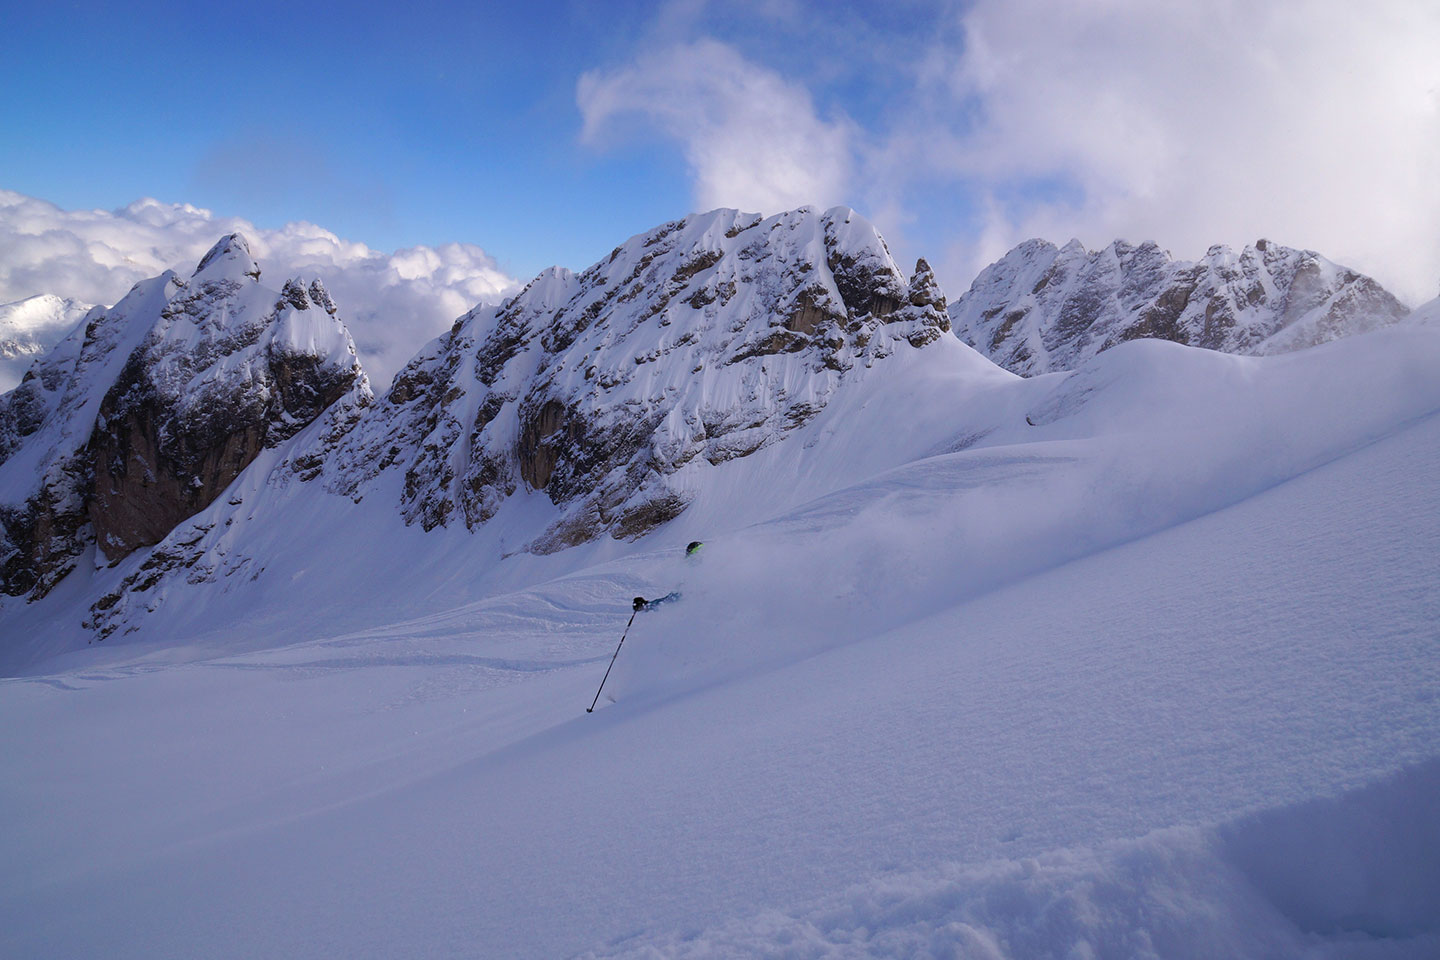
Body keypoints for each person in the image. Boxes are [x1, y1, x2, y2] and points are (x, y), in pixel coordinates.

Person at [634, 541, 703, 611]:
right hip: (689, 592)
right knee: (673, 600)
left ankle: (646, 606)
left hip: (698, 594)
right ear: (692, 553)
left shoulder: (704, 564)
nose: (701, 554)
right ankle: (645, 606)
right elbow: (673, 598)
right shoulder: (690, 564)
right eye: (698, 551)